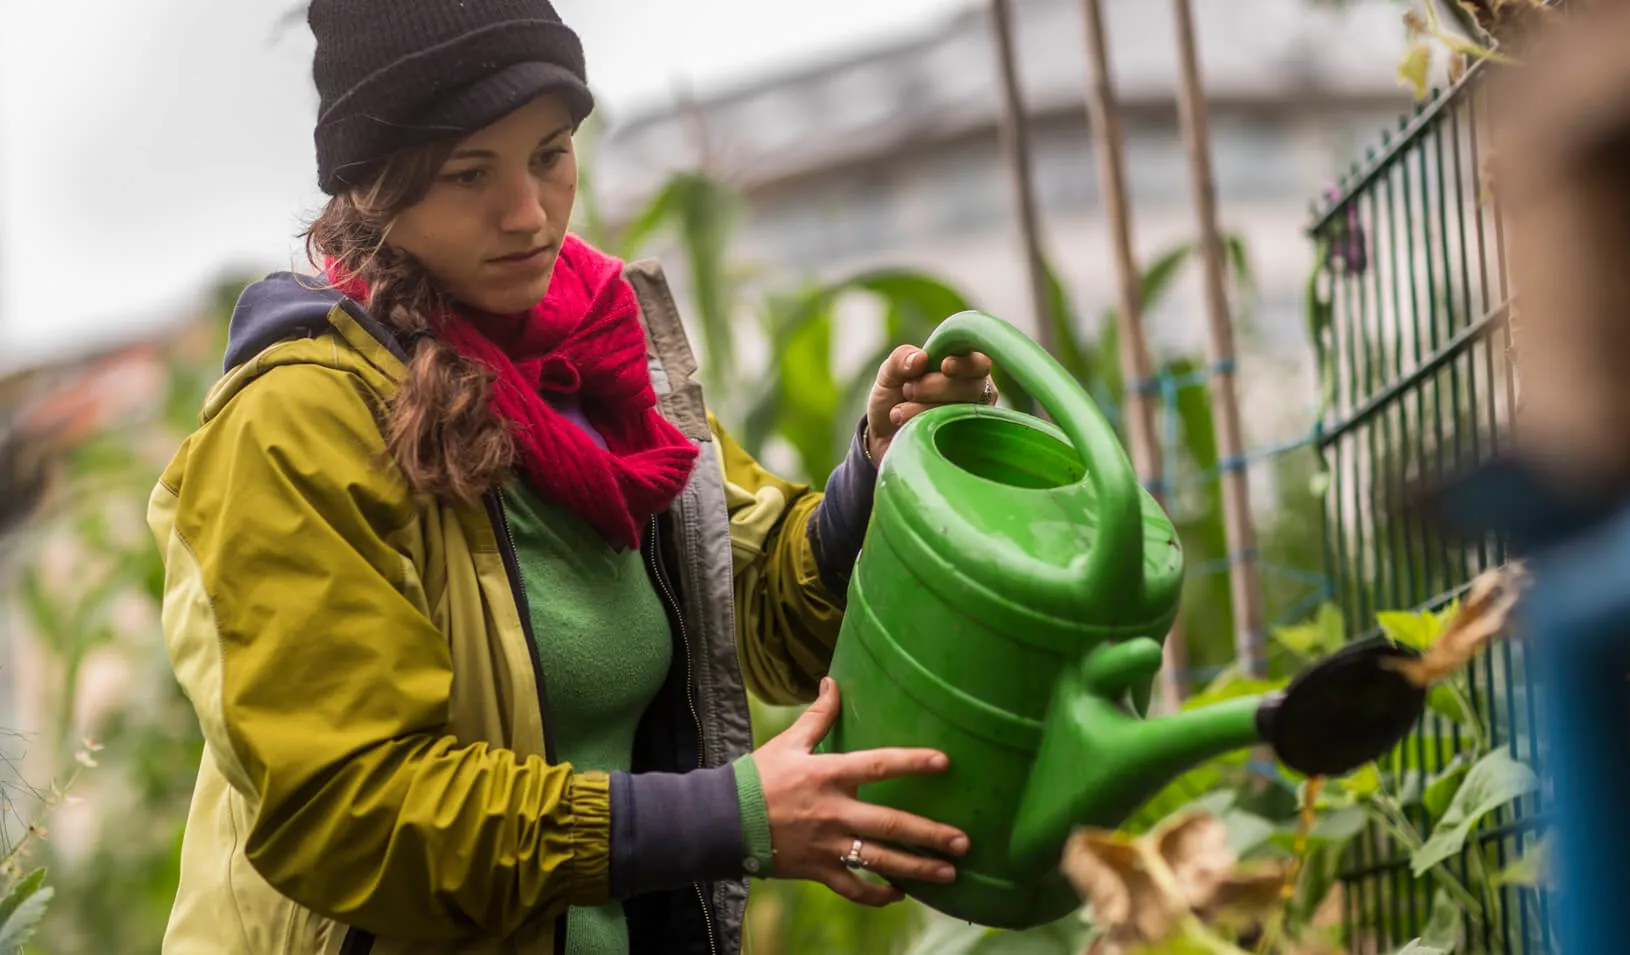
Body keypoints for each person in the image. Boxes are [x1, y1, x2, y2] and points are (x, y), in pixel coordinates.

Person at [149, 3, 1001, 955]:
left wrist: (874, 473)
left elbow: (758, 608)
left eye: (550, 155)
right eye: (470, 174)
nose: (528, 213)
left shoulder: (601, 364)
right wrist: (719, 819)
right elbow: (353, 810)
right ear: (374, 190)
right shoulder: (295, 424)